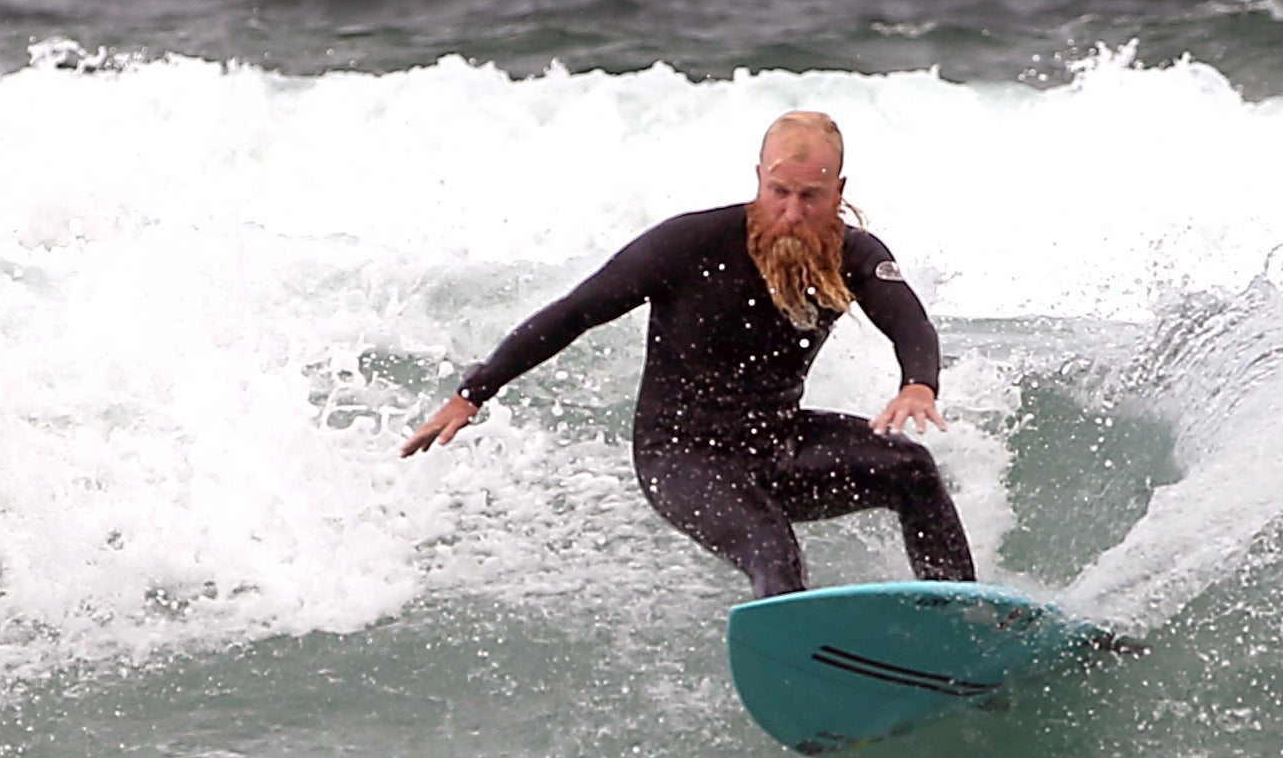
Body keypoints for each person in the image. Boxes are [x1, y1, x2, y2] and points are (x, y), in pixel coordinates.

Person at [401, 110, 977, 600]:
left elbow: (909, 321)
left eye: (811, 197)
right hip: (681, 455)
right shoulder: (689, 245)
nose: (793, 213)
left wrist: (918, 385)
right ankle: (800, 673)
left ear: (839, 192)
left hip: (777, 441)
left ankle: (959, 618)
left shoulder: (853, 253)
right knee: (771, 549)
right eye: (779, 193)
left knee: (912, 470)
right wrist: (474, 391)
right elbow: (576, 311)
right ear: (758, 180)